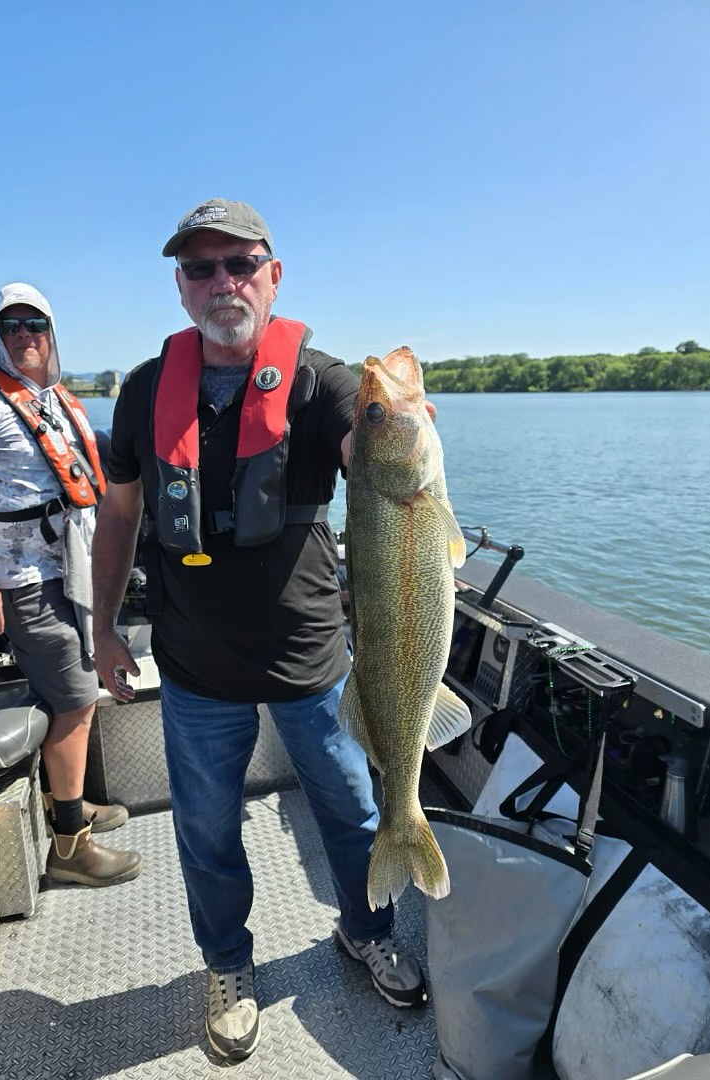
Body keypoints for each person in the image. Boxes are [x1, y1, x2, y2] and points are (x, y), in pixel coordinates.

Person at [91, 199, 425, 1062]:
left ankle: (365, 927)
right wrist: (102, 627)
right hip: (195, 664)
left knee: (355, 809)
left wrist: (404, 432)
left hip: (313, 658)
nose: (222, 283)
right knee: (205, 832)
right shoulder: (139, 391)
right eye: (201, 268)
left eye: (240, 264)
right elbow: (120, 516)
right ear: (179, 287)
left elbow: (371, 454)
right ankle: (228, 966)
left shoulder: (322, 384)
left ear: (274, 276)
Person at [0, 282, 142, 889]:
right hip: (21, 581)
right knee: (75, 697)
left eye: (35, 324)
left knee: (76, 691)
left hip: (71, 568)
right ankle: (70, 848)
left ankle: (66, 803)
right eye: (11, 326)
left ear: (51, 332)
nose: (24, 336)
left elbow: (97, 465)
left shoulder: (52, 399)